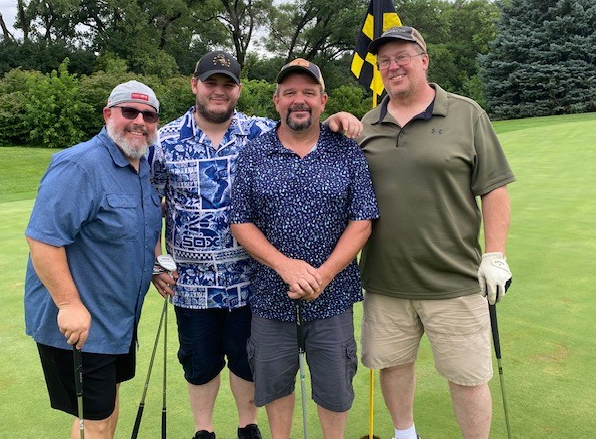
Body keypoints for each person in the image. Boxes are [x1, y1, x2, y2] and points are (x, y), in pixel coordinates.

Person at [149, 51, 362, 439]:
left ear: (238, 90)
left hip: (249, 278)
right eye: (211, 83)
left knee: (246, 362)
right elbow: (149, 203)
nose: (219, 91)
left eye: (227, 84)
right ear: (194, 85)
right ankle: (203, 430)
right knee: (199, 363)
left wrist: (336, 120)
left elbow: (300, 123)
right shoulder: (164, 141)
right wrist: (155, 262)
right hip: (192, 280)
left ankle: (247, 427)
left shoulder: (257, 132)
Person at [357, 26, 516, 439]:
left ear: (424, 60)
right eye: (384, 61)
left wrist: (495, 254)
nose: (393, 66)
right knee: (393, 366)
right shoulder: (368, 123)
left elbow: (494, 188)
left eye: (402, 57)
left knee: (468, 377)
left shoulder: (466, 113)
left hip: (454, 279)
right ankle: (404, 434)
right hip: (386, 281)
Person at [229, 58, 379, 439]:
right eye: (290, 92)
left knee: (334, 390)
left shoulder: (346, 151)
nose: (300, 100)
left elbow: (362, 221)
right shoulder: (253, 154)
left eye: (309, 93)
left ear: (323, 101)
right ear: (276, 100)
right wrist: (286, 267)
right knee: (275, 387)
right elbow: (240, 222)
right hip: (271, 298)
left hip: (332, 298)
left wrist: (322, 276)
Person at [24, 80, 168, 439]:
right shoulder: (80, 165)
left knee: (105, 406)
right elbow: (42, 239)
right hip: (81, 324)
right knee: (96, 419)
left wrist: (155, 267)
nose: (139, 121)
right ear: (108, 114)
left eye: (149, 115)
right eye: (129, 111)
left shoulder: (143, 167)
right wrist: (68, 303)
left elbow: (138, 231)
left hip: (118, 321)